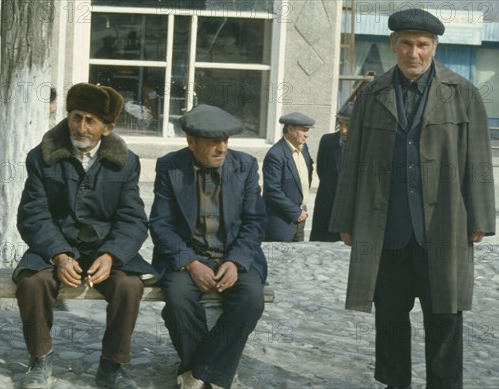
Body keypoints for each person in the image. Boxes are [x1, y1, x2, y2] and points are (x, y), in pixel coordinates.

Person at [329, 9, 496, 389]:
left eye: (422, 45)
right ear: (393, 44)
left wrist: (481, 218)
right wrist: (345, 219)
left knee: (445, 315)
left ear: (434, 46)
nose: (414, 53)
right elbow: (351, 160)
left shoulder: (462, 93)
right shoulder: (371, 94)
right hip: (386, 230)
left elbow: (479, 159)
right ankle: (394, 382)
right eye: (406, 43)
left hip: (444, 227)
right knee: (389, 315)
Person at [13, 82, 157, 389]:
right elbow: (33, 214)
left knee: (129, 286)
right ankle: (40, 358)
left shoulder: (126, 162)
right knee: (32, 282)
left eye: (91, 120)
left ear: (107, 128)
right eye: (76, 117)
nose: (81, 126)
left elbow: (132, 219)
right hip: (54, 246)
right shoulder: (41, 156)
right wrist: (59, 254)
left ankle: (112, 366)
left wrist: (112, 255)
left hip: (104, 248)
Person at [148, 104, 267, 389]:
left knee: (251, 299)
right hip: (189, 257)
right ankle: (209, 371)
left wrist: (237, 261)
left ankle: (198, 372)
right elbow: (160, 224)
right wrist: (190, 262)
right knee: (177, 301)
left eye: (226, 141)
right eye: (213, 142)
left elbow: (255, 221)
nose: (222, 148)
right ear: (190, 142)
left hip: (233, 255)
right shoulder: (170, 166)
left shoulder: (245, 165)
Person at [262, 112, 314, 242]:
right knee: (280, 261)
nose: (307, 134)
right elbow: (272, 191)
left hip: (301, 218)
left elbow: (308, 174)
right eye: (304, 130)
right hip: (281, 222)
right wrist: (296, 212)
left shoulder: (303, 148)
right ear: (290, 129)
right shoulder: (276, 155)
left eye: (308, 130)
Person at [309, 102, 352, 242]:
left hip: (349, 210)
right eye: (341, 124)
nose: (343, 130)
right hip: (327, 206)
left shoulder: (365, 144)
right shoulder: (327, 141)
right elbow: (321, 170)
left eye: (348, 125)